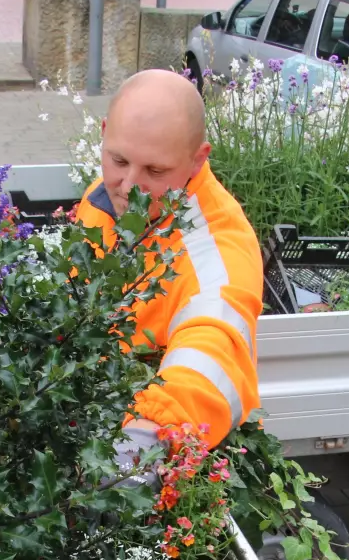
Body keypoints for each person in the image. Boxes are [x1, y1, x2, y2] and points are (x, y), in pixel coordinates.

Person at [71, 70, 263, 466]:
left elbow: (212, 347)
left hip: (155, 457)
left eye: (155, 172)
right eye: (118, 159)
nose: (127, 185)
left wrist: (146, 435)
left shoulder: (216, 248)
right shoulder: (102, 197)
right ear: (105, 134)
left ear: (197, 160)